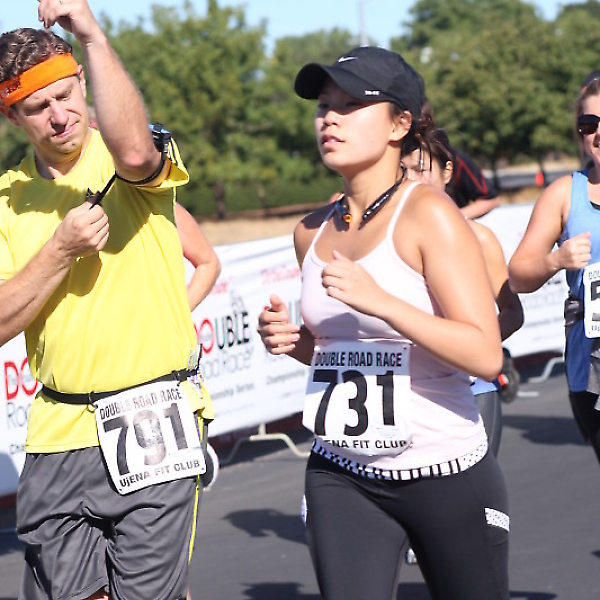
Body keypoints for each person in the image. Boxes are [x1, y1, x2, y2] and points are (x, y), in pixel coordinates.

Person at [258, 46, 509, 600]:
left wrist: (384, 303)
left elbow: (484, 353)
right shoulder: (310, 231)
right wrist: (296, 343)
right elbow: (348, 354)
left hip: (442, 470)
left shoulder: (430, 216)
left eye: (350, 105)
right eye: (323, 106)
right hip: (339, 472)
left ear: (399, 125)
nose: (330, 118)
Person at [0, 2, 212, 599]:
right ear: (13, 116)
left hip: (154, 414)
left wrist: (91, 34)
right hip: (58, 427)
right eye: (37, 107)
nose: (59, 116)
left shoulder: (124, 153)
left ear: (83, 82)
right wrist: (58, 251)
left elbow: (139, 157)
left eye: (66, 95)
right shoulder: (7, 198)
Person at [401, 124, 524, 456]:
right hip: (407, 396)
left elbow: (512, 312)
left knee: (473, 486)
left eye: (421, 169)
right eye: (403, 170)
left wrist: (470, 348)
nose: (411, 179)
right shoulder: (387, 243)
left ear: (447, 172)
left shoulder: (478, 238)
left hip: (471, 389)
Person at [509, 78, 600, 466]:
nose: (598, 133)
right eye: (589, 124)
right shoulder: (564, 194)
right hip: (592, 365)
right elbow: (518, 275)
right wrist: (556, 260)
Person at [420, 99, 500, 219]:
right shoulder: (395, 159)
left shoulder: (457, 160)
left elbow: (490, 199)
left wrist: (452, 218)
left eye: (420, 169)